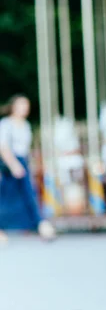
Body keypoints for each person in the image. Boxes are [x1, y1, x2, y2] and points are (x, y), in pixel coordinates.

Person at [0, 95, 56, 241]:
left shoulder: (25, 125)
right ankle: (41, 224)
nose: (25, 108)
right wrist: (13, 165)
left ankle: (40, 224)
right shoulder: (6, 124)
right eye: (21, 105)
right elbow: (3, 147)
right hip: (11, 163)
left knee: (24, 194)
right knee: (18, 195)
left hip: (23, 161)